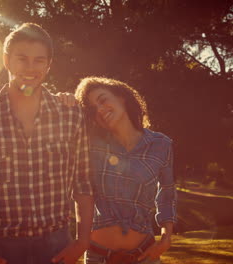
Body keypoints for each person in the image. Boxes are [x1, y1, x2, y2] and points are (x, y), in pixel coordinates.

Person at [0, 23, 94, 264]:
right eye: (22, 59)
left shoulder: (71, 116)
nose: (30, 68)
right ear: (6, 60)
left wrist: (82, 241)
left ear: (49, 64)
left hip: (57, 246)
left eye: (39, 60)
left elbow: (83, 184)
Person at [59, 77, 177, 264]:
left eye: (103, 100)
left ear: (121, 97)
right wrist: (64, 101)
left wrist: (166, 238)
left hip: (145, 256)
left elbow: (167, 195)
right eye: (92, 109)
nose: (100, 109)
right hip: (99, 256)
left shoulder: (160, 144)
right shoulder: (90, 144)